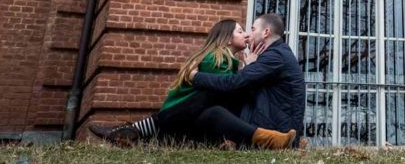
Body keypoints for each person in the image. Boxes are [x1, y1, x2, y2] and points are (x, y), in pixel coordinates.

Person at [89, 18, 296, 149]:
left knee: (215, 111)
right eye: (241, 31)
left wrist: (245, 68)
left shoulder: (231, 61)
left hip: (190, 118)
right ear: (226, 38)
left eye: (248, 30)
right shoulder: (217, 58)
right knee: (213, 97)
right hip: (181, 116)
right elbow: (226, 87)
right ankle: (132, 131)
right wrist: (246, 68)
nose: (247, 34)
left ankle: (133, 132)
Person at [189, 12, 305, 149]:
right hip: (278, 122)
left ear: (266, 32)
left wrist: (194, 76)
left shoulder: (275, 56)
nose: (248, 34)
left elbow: (233, 83)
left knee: (216, 111)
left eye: (253, 29)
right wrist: (248, 66)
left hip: (277, 128)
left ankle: (265, 140)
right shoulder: (277, 53)